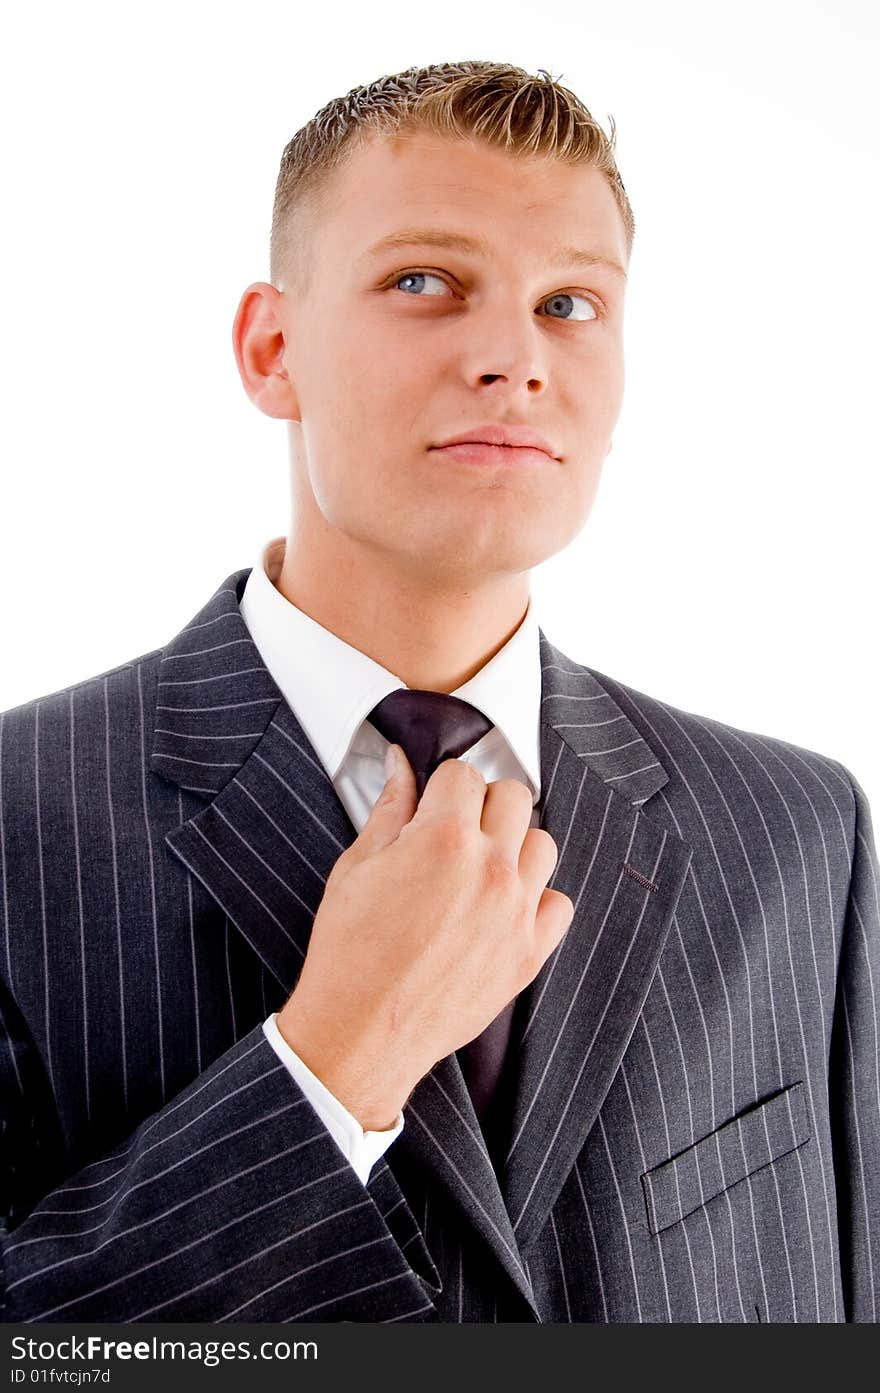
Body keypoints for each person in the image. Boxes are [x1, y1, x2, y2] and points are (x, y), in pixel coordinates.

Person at [0, 59, 877, 1325]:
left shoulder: (799, 834)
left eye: (570, 303)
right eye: (425, 282)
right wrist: (327, 1065)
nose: (513, 357)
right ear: (271, 347)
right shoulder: (18, 829)